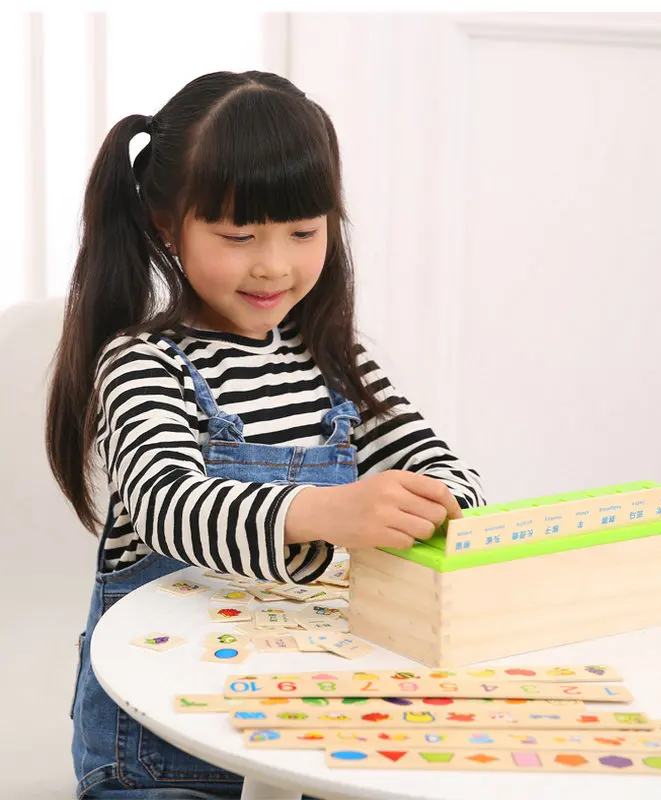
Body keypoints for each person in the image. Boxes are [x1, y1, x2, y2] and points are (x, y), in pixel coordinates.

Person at [45, 70, 485, 799]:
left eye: (304, 232)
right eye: (239, 235)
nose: (274, 264)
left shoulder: (335, 360)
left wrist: (438, 505)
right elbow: (166, 504)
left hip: (309, 726)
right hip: (161, 748)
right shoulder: (145, 363)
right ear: (167, 224)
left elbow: (442, 468)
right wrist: (327, 512)